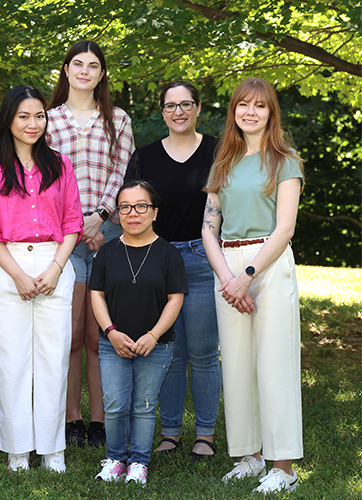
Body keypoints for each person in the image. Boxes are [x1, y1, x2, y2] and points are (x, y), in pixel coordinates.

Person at [202, 77, 304, 494]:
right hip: (227, 262)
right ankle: (250, 455)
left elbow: (285, 229)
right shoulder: (223, 161)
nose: (250, 112)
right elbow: (209, 228)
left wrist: (247, 277)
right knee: (238, 364)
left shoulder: (285, 160)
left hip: (269, 262)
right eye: (243, 105)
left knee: (275, 363)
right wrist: (227, 277)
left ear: (270, 113)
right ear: (233, 112)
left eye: (259, 106)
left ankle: (283, 466)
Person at [0, 85, 83, 472]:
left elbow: (73, 222)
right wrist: (19, 275)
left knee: (53, 359)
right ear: (9, 120)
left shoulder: (61, 165)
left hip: (56, 262)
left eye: (39, 116)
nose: (33, 123)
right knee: (12, 359)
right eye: (24, 116)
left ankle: (53, 448)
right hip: (9, 266)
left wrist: (54, 269)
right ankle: (18, 449)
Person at [126, 81, 221, 460]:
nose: (178, 112)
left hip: (202, 259)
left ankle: (206, 433)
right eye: (170, 106)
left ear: (198, 108)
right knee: (168, 350)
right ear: (162, 112)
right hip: (159, 262)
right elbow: (134, 208)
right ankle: (169, 432)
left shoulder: (218, 150)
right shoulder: (145, 156)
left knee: (201, 352)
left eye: (186, 104)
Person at [47, 40, 135, 447]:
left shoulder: (117, 119)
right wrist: (75, 224)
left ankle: (100, 420)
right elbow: (44, 180)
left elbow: (120, 174)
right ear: (66, 70)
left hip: (108, 236)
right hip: (62, 238)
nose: (85, 70)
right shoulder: (47, 120)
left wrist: (99, 218)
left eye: (93, 65)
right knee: (72, 331)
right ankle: (71, 418)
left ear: (102, 74)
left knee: (101, 334)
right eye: (78, 64)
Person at [89, 179, 186, 486]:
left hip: (155, 345)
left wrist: (154, 335)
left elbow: (175, 300)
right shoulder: (107, 253)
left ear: (154, 212)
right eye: (125, 207)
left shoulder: (169, 254)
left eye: (141, 206)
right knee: (115, 404)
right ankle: (116, 458)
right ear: (117, 214)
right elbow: (97, 295)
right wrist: (111, 331)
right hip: (112, 343)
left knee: (144, 405)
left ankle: (139, 463)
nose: (134, 213)